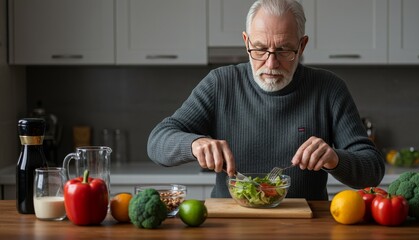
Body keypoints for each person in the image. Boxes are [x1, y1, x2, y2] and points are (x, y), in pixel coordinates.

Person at [147, 0, 385, 200]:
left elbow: (372, 169)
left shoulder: (329, 89)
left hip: (305, 227)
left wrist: (336, 159)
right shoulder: (220, 84)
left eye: (284, 50)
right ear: (246, 42)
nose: (271, 64)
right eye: (259, 49)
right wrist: (194, 144)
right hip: (229, 224)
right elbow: (157, 141)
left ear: (302, 46)